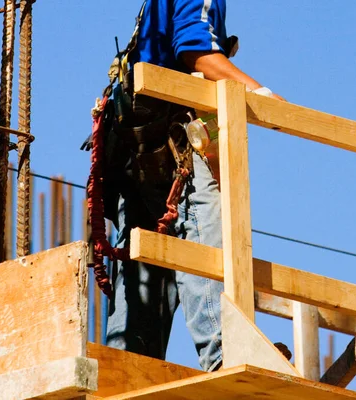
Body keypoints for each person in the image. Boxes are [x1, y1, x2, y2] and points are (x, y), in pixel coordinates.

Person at [105, 0, 283, 372]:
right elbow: (196, 51)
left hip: (138, 152)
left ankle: (128, 370)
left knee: (150, 256)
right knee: (203, 226)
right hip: (168, 141)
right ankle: (224, 353)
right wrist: (260, 94)